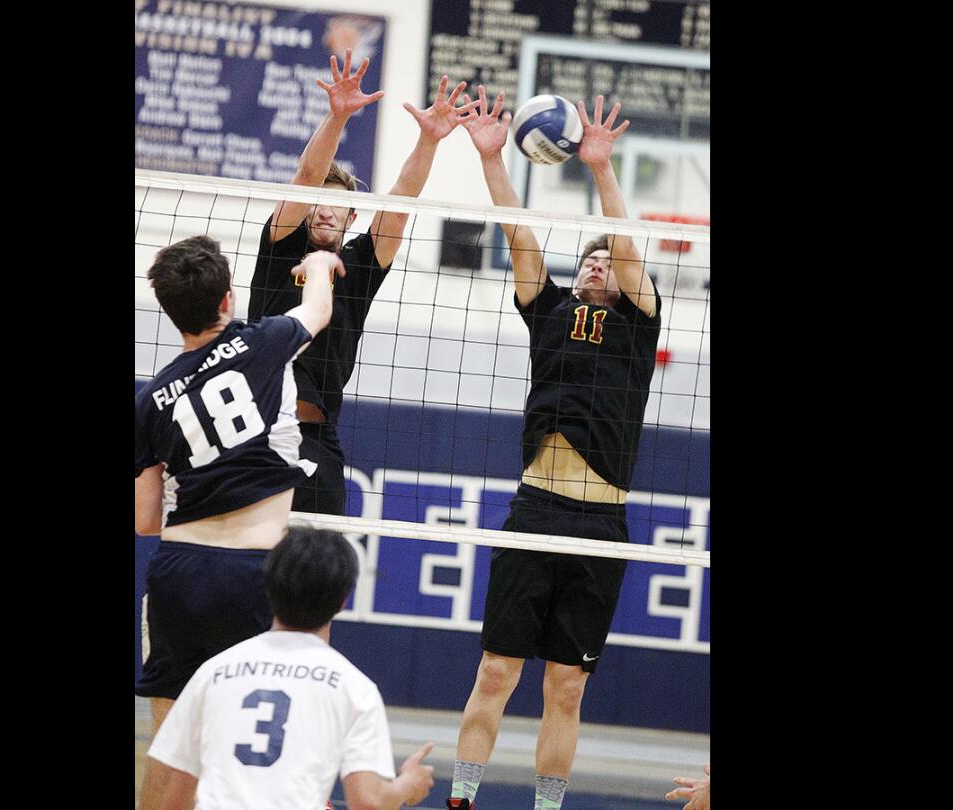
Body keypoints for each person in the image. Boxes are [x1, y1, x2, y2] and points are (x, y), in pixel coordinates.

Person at [443, 92, 661, 810]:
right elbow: (519, 239)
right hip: (537, 509)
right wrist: (488, 158)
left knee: (565, 687)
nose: (598, 265)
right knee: (496, 672)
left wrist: (601, 170)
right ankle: (462, 799)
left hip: (602, 526)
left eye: (608, 262)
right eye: (590, 261)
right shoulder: (553, 312)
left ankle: (545, 806)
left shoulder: (635, 326)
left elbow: (627, 249)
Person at [135, 235, 345, 810]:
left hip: (178, 571)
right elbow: (320, 308)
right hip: (254, 571)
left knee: (173, 742)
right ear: (228, 298)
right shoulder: (266, 341)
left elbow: (146, 521)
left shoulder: (148, 401)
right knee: (262, 745)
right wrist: (321, 262)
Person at [249, 48, 480, 514]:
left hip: (318, 438)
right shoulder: (280, 249)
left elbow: (400, 201)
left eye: (338, 205)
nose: (326, 209)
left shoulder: (359, 265)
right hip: (258, 432)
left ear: (353, 216)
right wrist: (337, 119)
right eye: (318, 201)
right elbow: (308, 173)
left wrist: (430, 141)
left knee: (319, 573)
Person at [147, 526, 437, 809]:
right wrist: (407, 785)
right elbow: (368, 801)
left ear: (267, 584)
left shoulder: (213, 672)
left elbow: (176, 799)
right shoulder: (355, 688)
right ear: (343, 601)